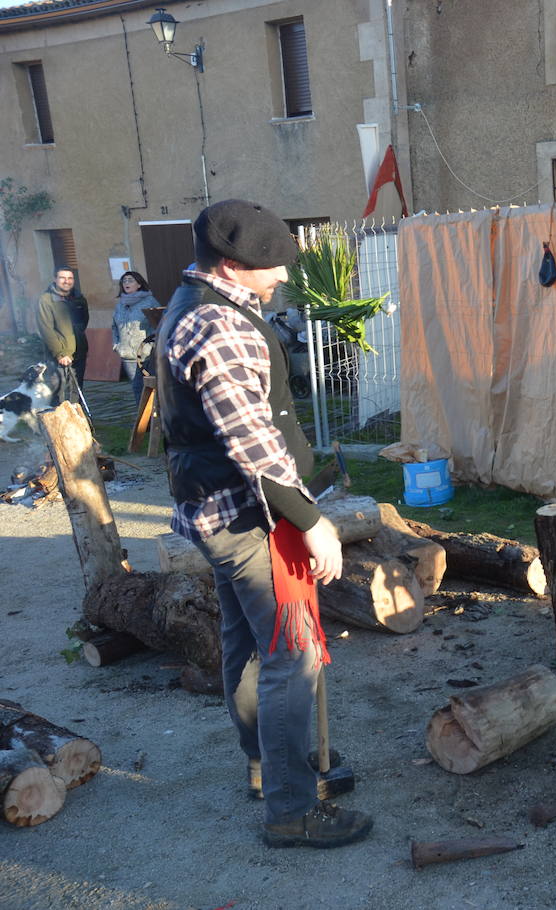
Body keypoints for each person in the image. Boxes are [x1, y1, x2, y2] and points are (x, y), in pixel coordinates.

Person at [156, 199, 372, 848]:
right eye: (271, 264)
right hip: (248, 516)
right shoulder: (217, 327)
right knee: (292, 656)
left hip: (220, 509)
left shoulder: (201, 304)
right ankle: (290, 808)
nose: (281, 275)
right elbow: (250, 441)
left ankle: (266, 766)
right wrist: (312, 520)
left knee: (245, 645)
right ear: (231, 264)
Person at [36, 266, 89, 399]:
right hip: (58, 355)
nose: (67, 281)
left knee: (77, 390)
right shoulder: (46, 300)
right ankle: (58, 417)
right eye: (62, 278)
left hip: (79, 351)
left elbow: (84, 320)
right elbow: (46, 329)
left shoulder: (79, 298)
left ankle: (75, 417)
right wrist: (61, 353)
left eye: (70, 278)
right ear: (55, 279)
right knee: (58, 390)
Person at [111, 270, 159, 395]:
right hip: (127, 354)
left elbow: (158, 323)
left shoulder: (150, 301)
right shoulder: (120, 304)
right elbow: (114, 326)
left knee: (148, 388)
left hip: (145, 354)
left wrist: (151, 345)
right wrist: (117, 344)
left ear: (139, 284)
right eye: (124, 280)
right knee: (136, 388)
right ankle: (141, 413)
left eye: (130, 280)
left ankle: (152, 413)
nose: (126, 283)